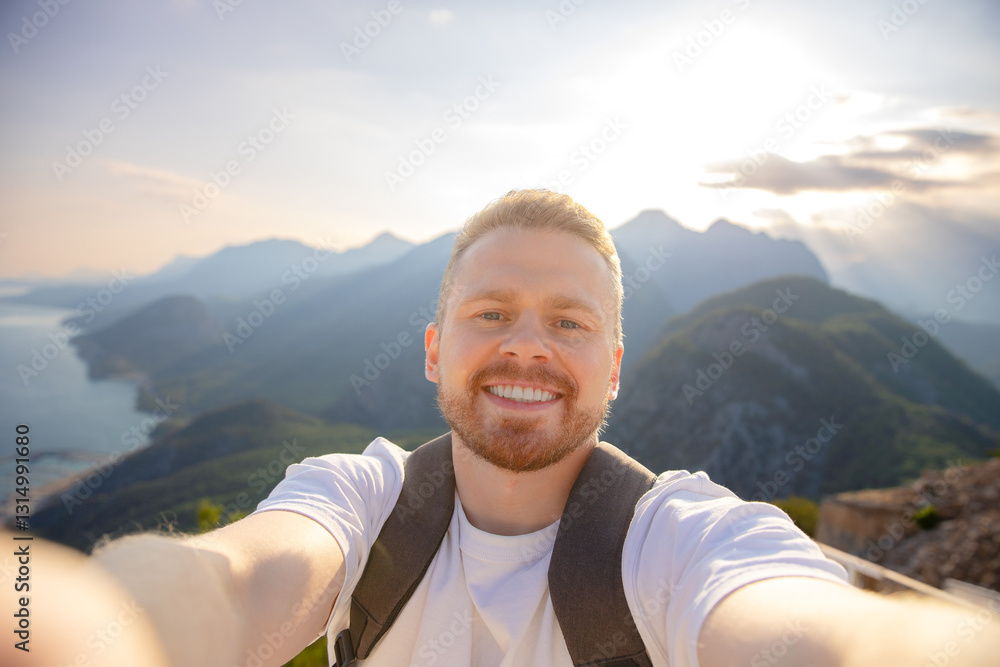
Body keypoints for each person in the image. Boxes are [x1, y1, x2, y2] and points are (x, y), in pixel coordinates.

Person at [74, 189, 998, 666]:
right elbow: (236, 582)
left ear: (615, 366)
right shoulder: (359, 497)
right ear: (435, 349)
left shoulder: (683, 536)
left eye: (569, 320)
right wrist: (108, 626)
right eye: (492, 313)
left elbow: (817, 633)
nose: (527, 347)